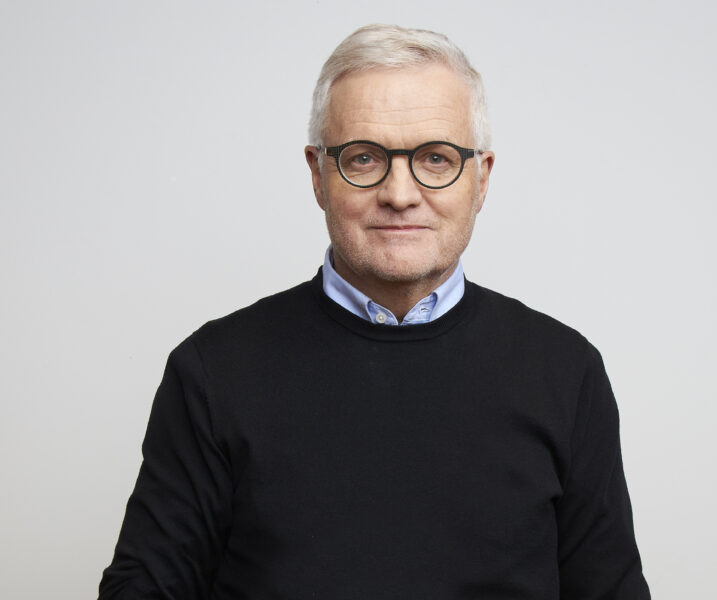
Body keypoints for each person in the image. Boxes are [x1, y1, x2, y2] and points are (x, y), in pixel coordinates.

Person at [99, 24, 650, 600]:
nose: (400, 193)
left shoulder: (565, 371)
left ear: (482, 178)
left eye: (436, 159)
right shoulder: (212, 371)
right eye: (363, 158)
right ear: (318, 174)